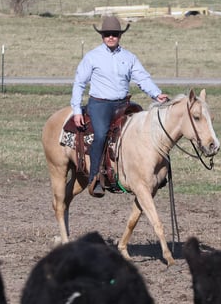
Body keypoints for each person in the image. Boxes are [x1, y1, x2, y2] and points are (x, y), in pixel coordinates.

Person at [71, 15, 169, 197]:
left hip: (123, 104)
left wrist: (156, 93)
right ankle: (95, 177)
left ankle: (150, 172)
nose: (111, 37)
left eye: (114, 34)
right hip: (100, 104)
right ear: (102, 36)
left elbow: (142, 78)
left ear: (120, 36)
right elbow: (79, 83)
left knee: (146, 128)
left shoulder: (129, 57)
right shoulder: (92, 57)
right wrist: (77, 110)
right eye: (107, 34)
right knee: (100, 134)